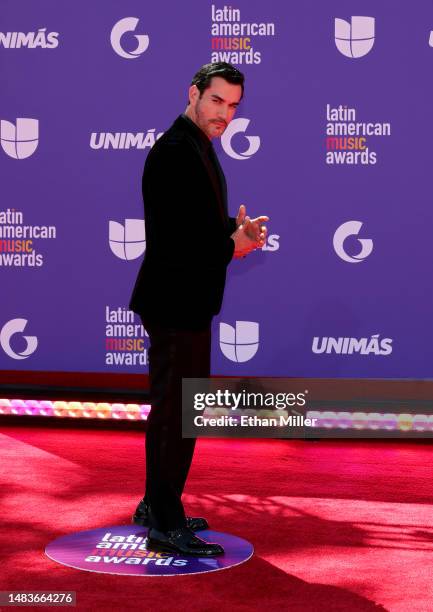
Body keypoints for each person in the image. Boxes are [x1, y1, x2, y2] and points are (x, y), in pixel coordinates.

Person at [129, 62, 268, 556]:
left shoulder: (195, 146)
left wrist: (236, 230)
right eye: (217, 101)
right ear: (194, 93)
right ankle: (165, 523)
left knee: (175, 410)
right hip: (174, 301)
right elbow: (177, 243)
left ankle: (155, 504)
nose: (224, 114)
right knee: (177, 415)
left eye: (233, 106)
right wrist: (233, 246)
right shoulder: (174, 151)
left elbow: (196, 222)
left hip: (184, 300)